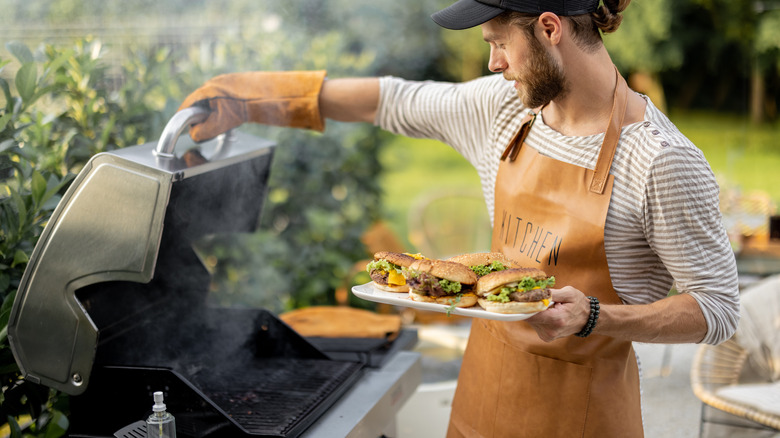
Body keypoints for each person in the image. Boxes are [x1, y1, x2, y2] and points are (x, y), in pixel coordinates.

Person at [179, 0, 741, 435]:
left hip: (586, 418)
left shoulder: (661, 160)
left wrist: (596, 317)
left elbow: (716, 308)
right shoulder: (504, 111)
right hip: (483, 401)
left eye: (499, 43)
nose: (493, 63)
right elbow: (388, 100)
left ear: (550, 29)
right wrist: (251, 97)